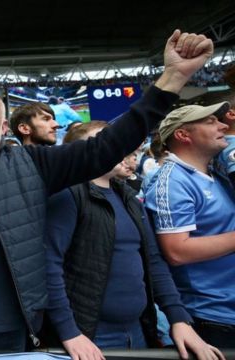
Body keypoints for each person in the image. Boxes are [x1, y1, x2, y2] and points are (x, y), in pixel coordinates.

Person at [0, 29, 214, 352]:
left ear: (4, 127)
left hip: (10, 331)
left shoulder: (33, 164)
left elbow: (105, 147)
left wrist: (172, 80)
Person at [45, 121, 223, 360]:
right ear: (81, 151)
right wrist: (69, 332)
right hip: (89, 336)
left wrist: (179, 319)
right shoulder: (68, 194)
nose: (115, 146)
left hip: (137, 329)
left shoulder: (126, 195)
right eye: (104, 141)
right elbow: (48, 266)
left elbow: (154, 262)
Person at [144, 101, 235, 347]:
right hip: (211, 316)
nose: (223, 125)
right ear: (183, 135)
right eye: (210, 122)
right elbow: (177, 251)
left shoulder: (216, 172)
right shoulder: (172, 180)